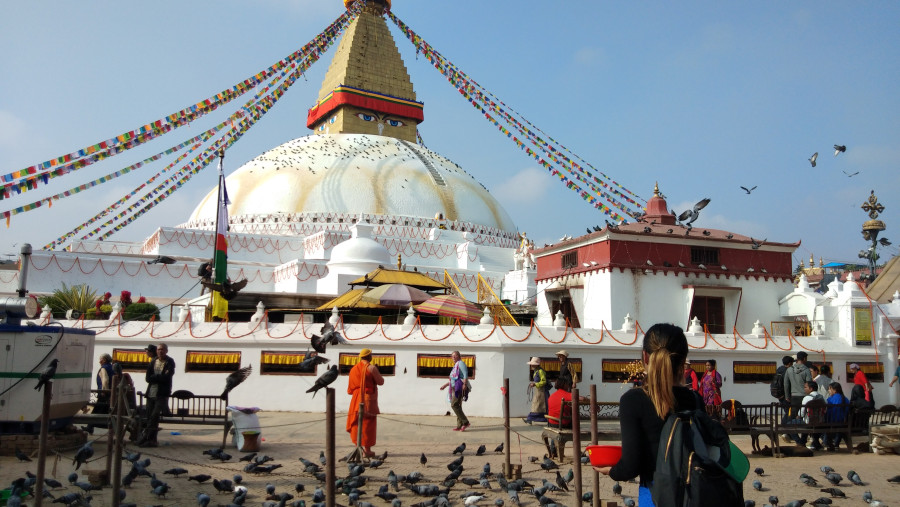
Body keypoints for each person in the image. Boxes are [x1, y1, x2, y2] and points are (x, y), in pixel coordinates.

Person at [595, 323, 701, 507]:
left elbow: (631, 465)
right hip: (694, 495)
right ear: (684, 360)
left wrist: (612, 471)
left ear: (645, 356)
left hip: (655, 495)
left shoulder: (633, 400)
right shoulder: (696, 400)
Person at [346, 348, 385, 458]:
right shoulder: (371, 368)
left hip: (355, 398)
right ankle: (366, 450)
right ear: (369, 357)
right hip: (367, 399)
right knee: (368, 424)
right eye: (371, 355)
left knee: (357, 423)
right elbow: (381, 382)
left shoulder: (353, 369)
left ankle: (358, 447)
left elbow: (350, 390)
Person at [139, 343, 175, 447]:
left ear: (166, 351)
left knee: (154, 416)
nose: (160, 351)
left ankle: (146, 437)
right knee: (150, 416)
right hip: (151, 393)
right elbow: (148, 378)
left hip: (162, 394)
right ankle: (151, 440)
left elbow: (167, 377)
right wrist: (159, 377)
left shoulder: (169, 362)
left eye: (162, 349)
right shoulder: (153, 361)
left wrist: (155, 377)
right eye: (159, 349)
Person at [440, 351, 470, 431]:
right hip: (454, 387)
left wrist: (465, 384)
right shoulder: (455, 366)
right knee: (458, 406)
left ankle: (466, 422)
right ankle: (459, 425)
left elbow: (465, 373)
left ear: (459, 356)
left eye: (455, 356)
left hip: (459, 387)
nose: (453, 357)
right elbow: (453, 379)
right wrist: (445, 385)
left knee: (454, 405)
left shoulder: (460, 363)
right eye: (452, 356)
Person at [791, 381, 824, 449]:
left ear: (811, 388)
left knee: (790, 424)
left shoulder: (807, 398)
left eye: (805, 387)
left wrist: (798, 416)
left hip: (808, 422)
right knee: (805, 424)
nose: (804, 389)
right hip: (820, 422)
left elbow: (802, 413)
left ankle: (800, 442)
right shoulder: (822, 397)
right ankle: (813, 443)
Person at [784, 351, 812, 419]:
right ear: (804, 358)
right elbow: (809, 383)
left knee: (793, 414)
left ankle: (793, 427)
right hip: (804, 396)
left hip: (794, 396)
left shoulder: (789, 370)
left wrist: (787, 396)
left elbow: (786, 384)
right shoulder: (807, 370)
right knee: (803, 414)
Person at [523, 357, 550, 424]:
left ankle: (530, 418)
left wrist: (535, 384)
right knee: (537, 405)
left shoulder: (541, 371)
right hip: (538, 391)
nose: (531, 365)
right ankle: (530, 419)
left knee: (539, 406)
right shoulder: (536, 371)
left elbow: (544, 381)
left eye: (533, 364)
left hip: (542, 391)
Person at [824, 382, 849, 451]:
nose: (828, 391)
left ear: (834, 390)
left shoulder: (831, 399)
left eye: (829, 389)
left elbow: (829, 412)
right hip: (843, 421)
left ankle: (828, 443)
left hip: (833, 421)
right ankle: (836, 444)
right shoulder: (845, 398)